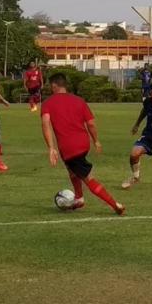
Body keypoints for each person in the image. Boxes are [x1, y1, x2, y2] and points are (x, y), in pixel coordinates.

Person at [41, 73, 125, 215]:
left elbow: (45, 124)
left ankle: (115, 204)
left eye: (50, 86)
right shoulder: (79, 100)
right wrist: (96, 141)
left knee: (87, 178)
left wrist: (51, 148)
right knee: (72, 169)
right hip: (83, 143)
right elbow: (91, 124)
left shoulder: (48, 103)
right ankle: (79, 198)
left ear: (54, 85)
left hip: (68, 147)